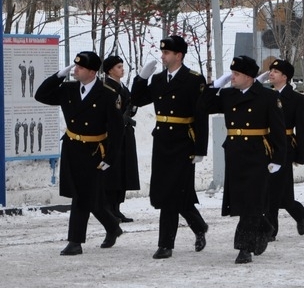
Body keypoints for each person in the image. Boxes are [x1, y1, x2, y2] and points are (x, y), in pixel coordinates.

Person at [199, 55, 287, 264]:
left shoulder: (267, 97)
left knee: (251, 202)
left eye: (236, 74)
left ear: (249, 77)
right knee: (240, 201)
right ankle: (265, 226)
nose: (232, 78)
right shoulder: (229, 94)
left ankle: (244, 248)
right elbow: (203, 106)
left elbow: (278, 130)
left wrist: (278, 158)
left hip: (257, 154)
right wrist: (215, 86)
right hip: (235, 153)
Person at [34, 51, 123, 255]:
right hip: (72, 148)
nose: (75, 70)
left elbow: (117, 131)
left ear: (92, 72)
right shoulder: (68, 89)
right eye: (75, 67)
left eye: (80, 68)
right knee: (87, 195)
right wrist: (57, 77)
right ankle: (112, 225)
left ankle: (75, 241)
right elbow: (41, 95)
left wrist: (110, 157)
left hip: (93, 151)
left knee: (81, 196)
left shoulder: (107, 94)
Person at [131, 35, 210, 259]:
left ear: (179, 55)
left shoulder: (194, 80)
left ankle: (165, 245)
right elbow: (136, 99)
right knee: (170, 192)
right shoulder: (157, 80)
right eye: (162, 52)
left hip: (184, 142)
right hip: (163, 141)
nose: (162, 56)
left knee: (173, 195)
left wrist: (200, 148)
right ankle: (199, 226)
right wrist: (141, 78)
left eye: (166, 53)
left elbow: (200, 115)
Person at [262, 59, 304, 239]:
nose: (271, 74)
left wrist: (301, 154)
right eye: (270, 70)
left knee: (278, 190)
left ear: (285, 77)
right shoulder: (266, 95)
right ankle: (295, 214)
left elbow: (302, 129)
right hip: (268, 146)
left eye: (275, 71)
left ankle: (272, 229)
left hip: (286, 147)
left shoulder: (296, 98)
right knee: (272, 190)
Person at [102, 55, 140, 223]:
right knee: (114, 172)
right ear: (110, 70)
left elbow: (130, 106)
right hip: (113, 135)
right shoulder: (107, 87)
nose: (122, 69)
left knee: (124, 170)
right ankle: (109, 208)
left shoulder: (122, 86)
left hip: (125, 133)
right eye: (118, 67)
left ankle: (117, 207)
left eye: (122, 66)